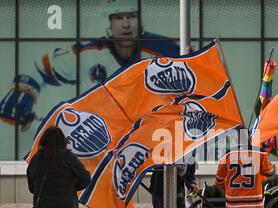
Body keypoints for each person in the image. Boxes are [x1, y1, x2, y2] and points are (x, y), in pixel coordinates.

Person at [0, 0, 180, 131]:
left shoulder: (166, 49)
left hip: (150, 132)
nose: (126, 24)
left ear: (140, 21)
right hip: (104, 134)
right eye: (118, 17)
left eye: (131, 16)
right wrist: (25, 90)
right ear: (108, 23)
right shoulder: (89, 53)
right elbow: (40, 69)